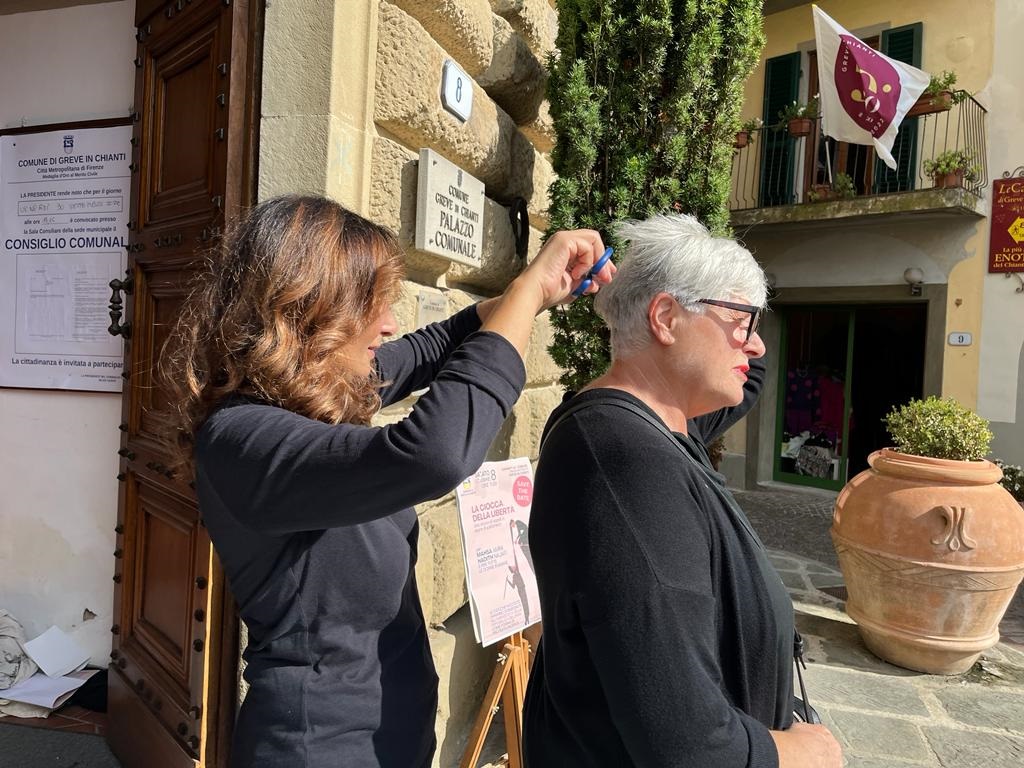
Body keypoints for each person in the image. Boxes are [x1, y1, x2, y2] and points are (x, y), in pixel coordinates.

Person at [160, 195, 612, 768]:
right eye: (370, 306)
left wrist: (531, 297)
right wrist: (525, 291)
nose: (390, 324)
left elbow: (422, 352)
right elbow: (434, 453)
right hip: (318, 749)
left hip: (390, 736)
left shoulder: (314, 398)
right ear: (305, 312)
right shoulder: (240, 439)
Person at [522, 213, 842, 768]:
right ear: (667, 317)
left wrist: (628, 295)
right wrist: (803, 755)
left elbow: (751, 374)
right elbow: (687, 743)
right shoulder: (624, 458)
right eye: (743, 319)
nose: (757, 344)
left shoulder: (667, 427)